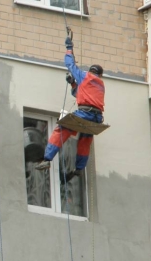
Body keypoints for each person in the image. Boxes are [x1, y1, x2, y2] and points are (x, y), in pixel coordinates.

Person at [35, 35, 105, 181]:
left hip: (85, 114)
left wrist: (69, 48)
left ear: (90, 71)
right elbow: (83, 96)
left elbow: (70, 64)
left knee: (62, 129)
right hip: (96, 117)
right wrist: (73, 84)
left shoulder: (86, 76)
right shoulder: (100, 84)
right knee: (85, 138)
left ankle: (47, 159)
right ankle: (79, 168)